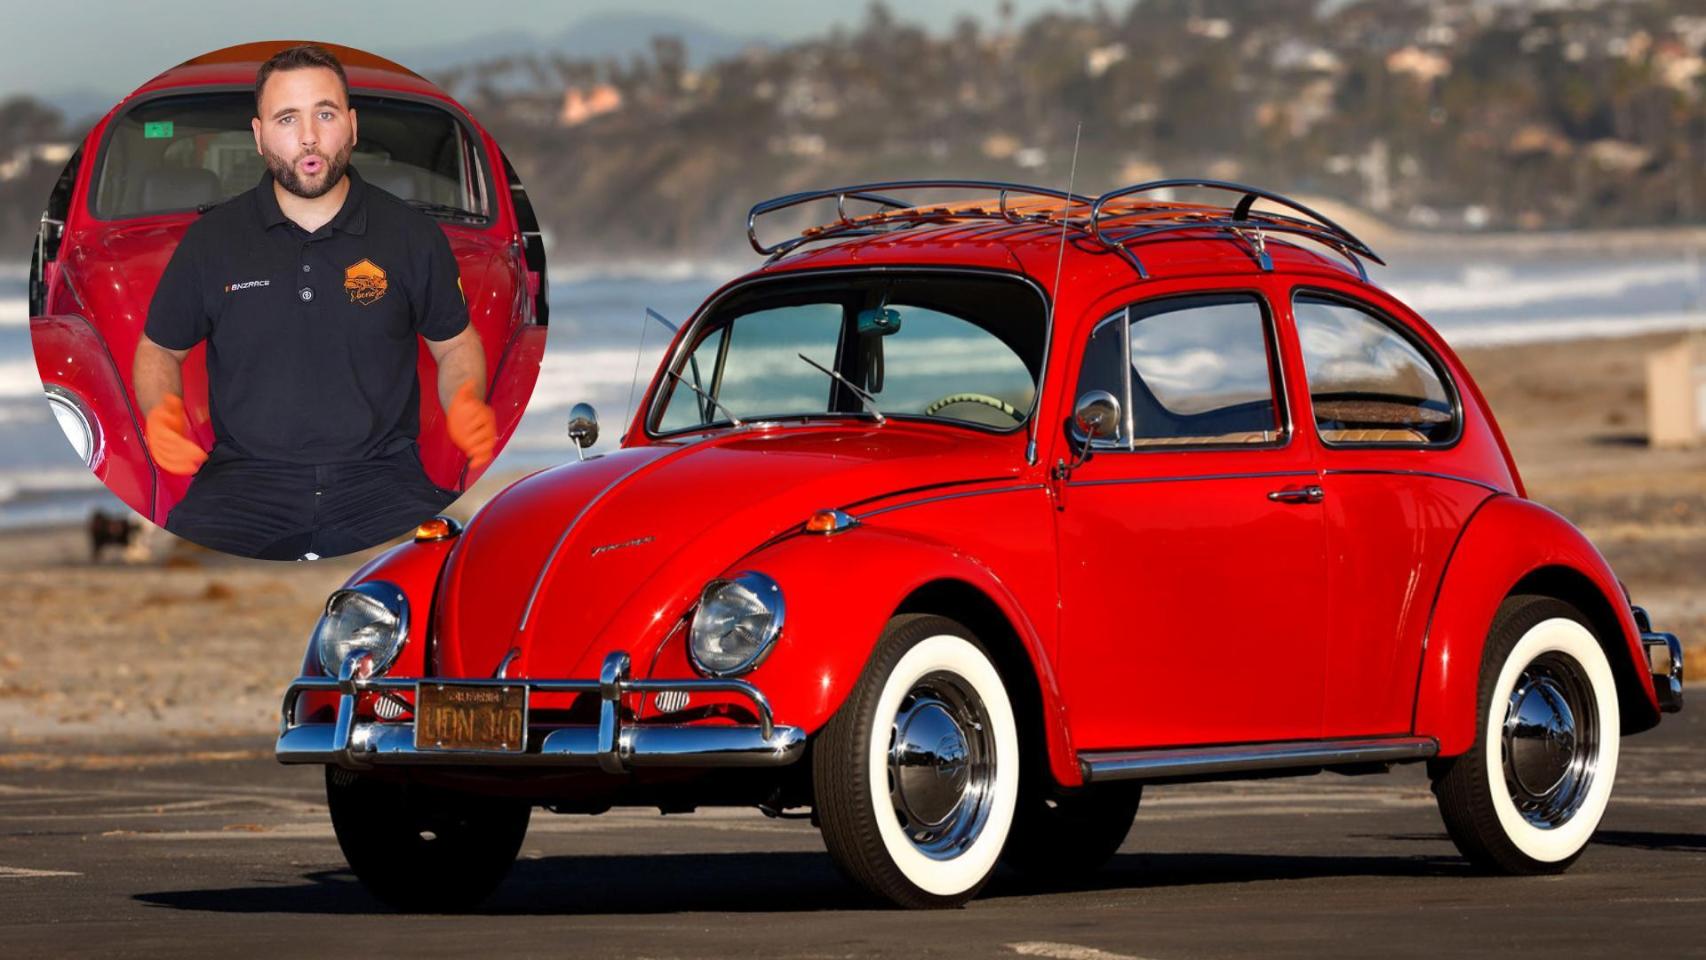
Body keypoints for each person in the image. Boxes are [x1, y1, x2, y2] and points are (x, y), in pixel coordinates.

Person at [133, 44, 497, 560]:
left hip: (384, 481)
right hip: (242, 484)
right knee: (174, 573)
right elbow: (159, 349)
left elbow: (455, 344)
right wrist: (161, 408)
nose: (308, 136)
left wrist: (464, 397)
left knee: (448, 565)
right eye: (287, 119)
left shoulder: (413, 235)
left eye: (324, 114)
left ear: (350, 125)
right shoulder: (211, 241)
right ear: (259, 136)